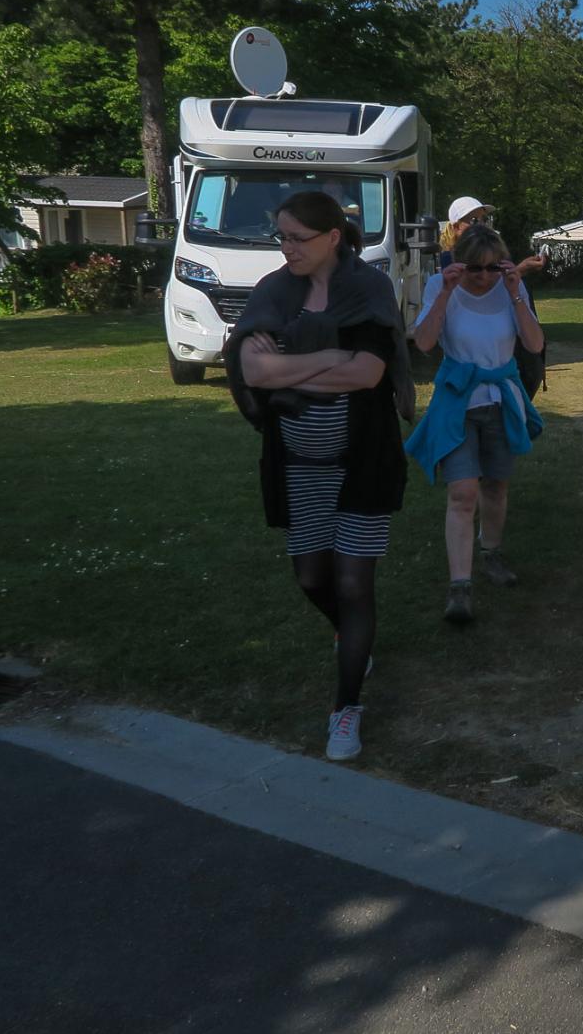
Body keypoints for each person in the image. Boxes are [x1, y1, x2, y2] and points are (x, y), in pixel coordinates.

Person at [224, 192, 411, 762]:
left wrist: (290, 373)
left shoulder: (369, 290)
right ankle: (353, 638)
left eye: (297, 238)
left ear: (333, 236)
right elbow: (252, 367)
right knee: (312, 580)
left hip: (363, 462)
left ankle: (346, 707)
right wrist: (330, 360)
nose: (287, 248)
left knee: (355, 585)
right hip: (300, 467)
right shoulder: (275, 292)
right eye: (280, 237)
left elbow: (370, 373)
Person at [407, 225, 546, 624]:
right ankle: (460, 586)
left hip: (501, 399)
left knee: (496, 486)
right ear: (458, 263)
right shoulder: (441, 285)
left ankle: (492, 552)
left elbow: (535, 344)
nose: (483, 277)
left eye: (491, 268)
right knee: (463, 492)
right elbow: (425, 343)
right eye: (474, 268)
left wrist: (517, 293)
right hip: (459, 402)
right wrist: (448, 292)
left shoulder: (509, 288)